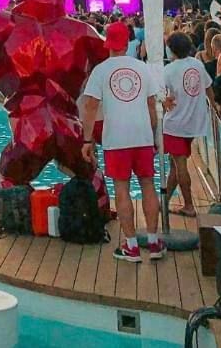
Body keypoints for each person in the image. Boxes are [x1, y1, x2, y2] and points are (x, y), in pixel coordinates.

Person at [81, 20, 165, 263]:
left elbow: (90, 106)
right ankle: (153, 241)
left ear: (108, 43)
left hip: (116, 137)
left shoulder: (101, 71)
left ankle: (131, 246)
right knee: (148, 185)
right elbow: (152, 105)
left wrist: (87, 140)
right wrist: (152, 134)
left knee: (122, 188)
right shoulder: (143, 68)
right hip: (142, 136)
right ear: (128, 42)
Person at [161, 32, 213, 218]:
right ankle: (165, 201)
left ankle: (189, 205)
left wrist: (164, 102)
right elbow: (208, 88)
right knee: (175, 164)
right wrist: (213, 109)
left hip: (176, 123)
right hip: (193, 122)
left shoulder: (169, 70)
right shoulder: (197, 64)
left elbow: (160, 94)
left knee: (179, 165)